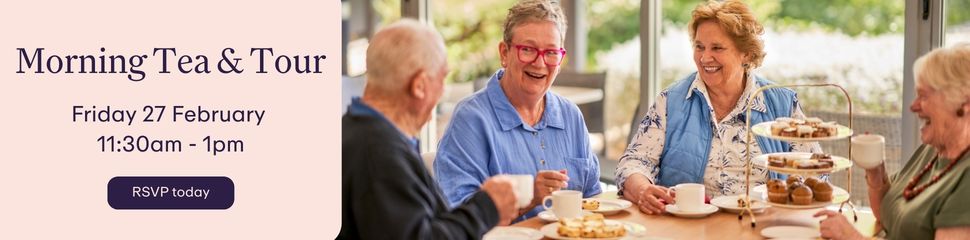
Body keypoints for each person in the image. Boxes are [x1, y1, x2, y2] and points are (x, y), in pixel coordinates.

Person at [614, 0, 822, 215]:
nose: (705, 58)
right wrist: (642, 189)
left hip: (761, 223)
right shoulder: (671, 101)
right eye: (699, 47)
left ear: (747, 54)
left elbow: (815, 171)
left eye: (717, 48)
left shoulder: (782, 103)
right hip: (688, 227)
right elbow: (634, 162)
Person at [340, 19, 519, 239]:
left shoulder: (354, 130)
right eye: (442, 78)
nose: (443, 91)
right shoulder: (379, 154)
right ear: (420, 86)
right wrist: (487, 207)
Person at [434, 0, 602, 222]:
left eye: (551, 52)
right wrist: (529, 198)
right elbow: (457, 218)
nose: (540, 63)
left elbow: (593, 199)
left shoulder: (571, 116)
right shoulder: (471, 119)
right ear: (505, 53)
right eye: (528, 50)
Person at [815, 43, 970, 240]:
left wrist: (851, 237)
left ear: (964, 105)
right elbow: (889, 215)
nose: (913, 106)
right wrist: (876, 171)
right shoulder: (931, 150)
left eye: (923, 96)